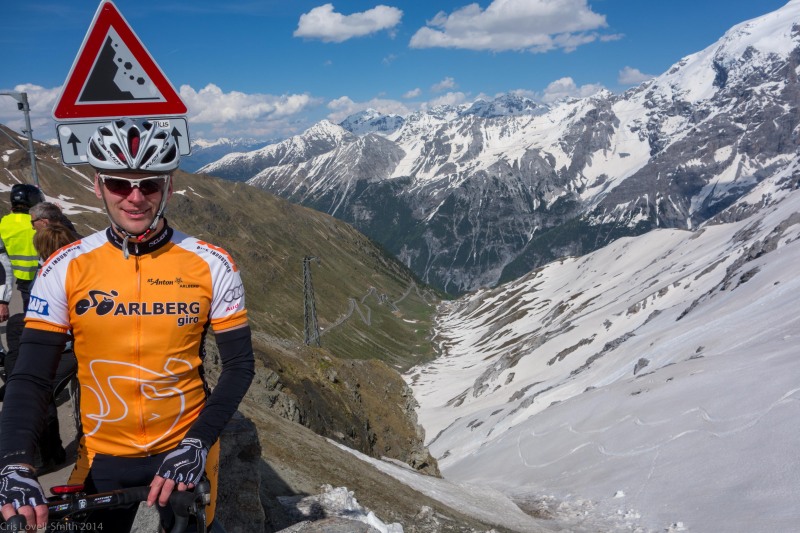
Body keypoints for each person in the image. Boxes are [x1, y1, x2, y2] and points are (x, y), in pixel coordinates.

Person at [0, 118, 255, 532]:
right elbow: (30, 375)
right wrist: (14, 464)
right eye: (119, 184)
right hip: (102, 454)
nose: (135, 198)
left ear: (168, 188)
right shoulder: (64, 267)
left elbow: (240, 365)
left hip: (186, 449)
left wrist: (197, 441)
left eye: (149, 185)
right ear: (98, 185)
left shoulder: (212, 262)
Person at [2, 224, 80, 472]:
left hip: (67, 345)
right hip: (66, 342)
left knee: (38, 387)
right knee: (16, 326)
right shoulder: (66, 267)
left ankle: (45, 452)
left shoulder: (54, 272)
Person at [0, 183, 45, 312]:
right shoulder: (38, 222)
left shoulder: (4, 222)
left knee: (29, 312)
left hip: (22, 278)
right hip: (43, 275)